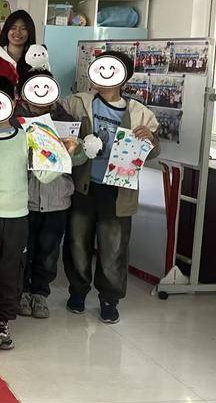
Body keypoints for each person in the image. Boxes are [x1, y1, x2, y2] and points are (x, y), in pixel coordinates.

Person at [0, 75, 74, 351]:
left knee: (11, 272)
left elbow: (44, 175)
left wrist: (63, 154)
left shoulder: (27, 137)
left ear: (12, 103)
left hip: (17, 216)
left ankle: (3, 322)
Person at [61, 51, 159, 324]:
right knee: (77, 242)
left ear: (123, 78)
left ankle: (109, 299)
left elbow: (152, 152)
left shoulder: (139, 113)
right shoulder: (78, 102)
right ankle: (78, 292)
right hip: (83, 186)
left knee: (113, 248)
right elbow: (58, 123)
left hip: (118, 192)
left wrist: (150, 139)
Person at [14, 71, 80, 320]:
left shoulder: (67, 120)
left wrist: (75, 150)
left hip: (57, 199)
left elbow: (78, 161)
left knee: (49, 252)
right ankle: (22, 292)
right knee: (23, 250)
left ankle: (40, 294)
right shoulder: (14, 121)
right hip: (24, 198)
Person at [0, 10, 36, 85]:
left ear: (30, 32)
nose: (18, 32)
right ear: (6, 31)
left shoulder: (37, 58)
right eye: (13, 28)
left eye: (23, 28)